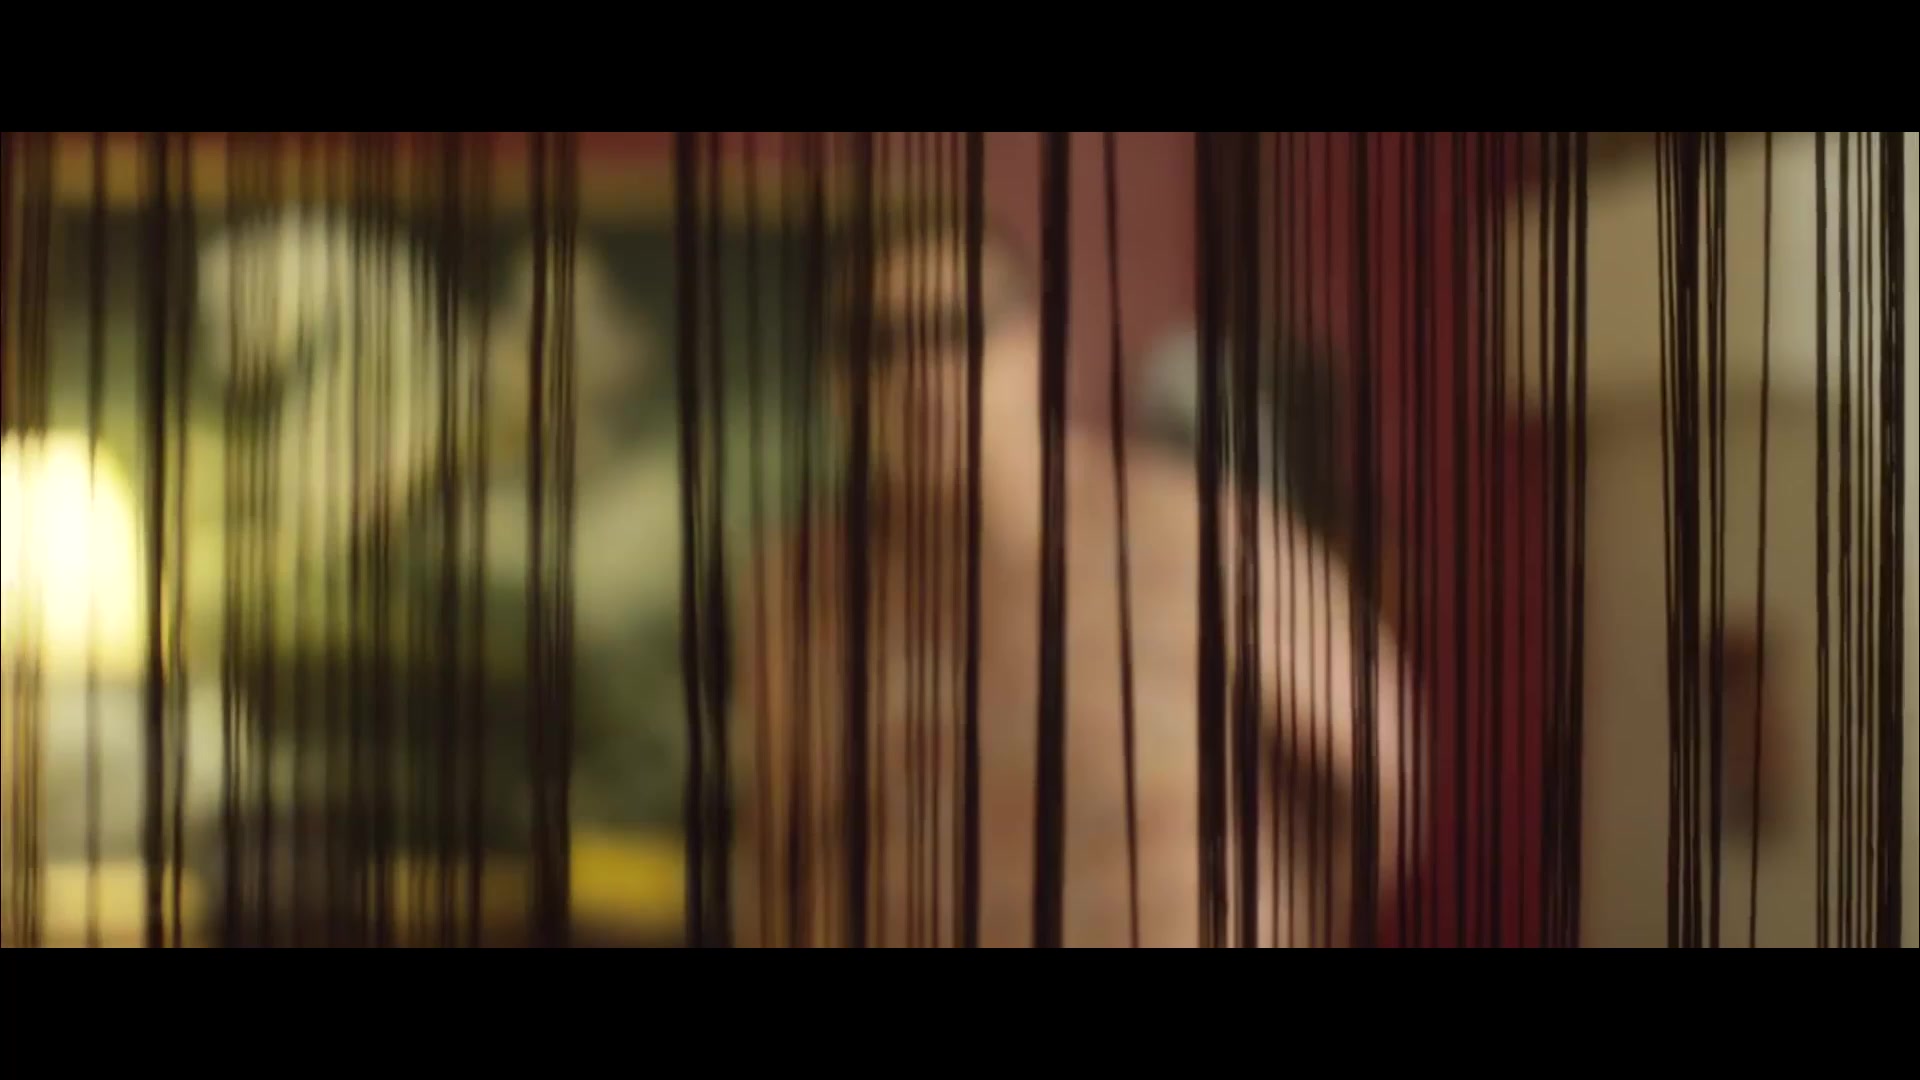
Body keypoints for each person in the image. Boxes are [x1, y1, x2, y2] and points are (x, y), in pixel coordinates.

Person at [731, 225, 1411, 947]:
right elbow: (777, 843)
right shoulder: (798, 584)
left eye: (959, 329)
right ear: (840, 382)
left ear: (1040, 348)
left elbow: (1381, 777)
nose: (922, 369)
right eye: (881, 343)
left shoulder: (1200, 542)